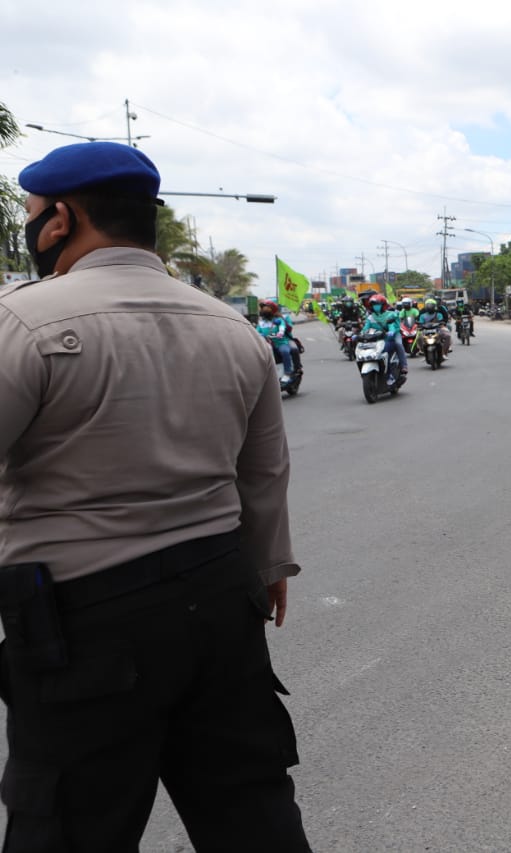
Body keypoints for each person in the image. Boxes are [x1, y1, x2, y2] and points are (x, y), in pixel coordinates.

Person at [0, 141, 310, 849]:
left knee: (70, 825)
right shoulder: (234, 329)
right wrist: (267, 570)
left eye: (31, 213)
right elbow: (263, 474)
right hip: (222, 605)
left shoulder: (24, 322)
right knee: (251, 813)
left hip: (83, 624)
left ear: (60, 221)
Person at [362, 293, 409, 381]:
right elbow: (365, 329)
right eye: (374, 305)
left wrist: (391, 332)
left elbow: (392, 326)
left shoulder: (390, 314)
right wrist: (358, 335)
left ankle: (403, 366)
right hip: (378, 338)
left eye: (378, 305)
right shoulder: (370, 317)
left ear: (383, 305)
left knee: (397, 345)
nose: (376, 307)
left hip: (391, 336)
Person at [257, 299, 298, 383]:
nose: (264, 310)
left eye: (267, 308)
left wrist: (281, 332)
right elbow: (257, 332)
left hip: (280, 342)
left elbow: (284, 327)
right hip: (266, 345)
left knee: (285, 351)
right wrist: (259, 335)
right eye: (263, 308)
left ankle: (287, 373)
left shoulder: (279, 320)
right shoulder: (261, 322)